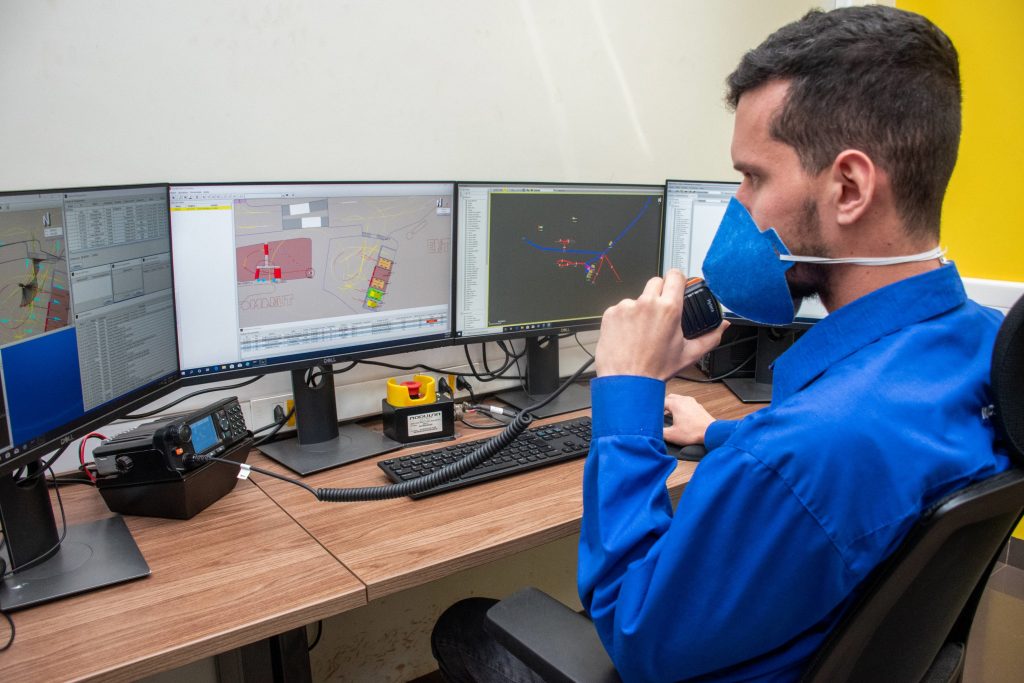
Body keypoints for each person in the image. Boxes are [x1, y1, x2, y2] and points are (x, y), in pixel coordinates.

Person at [431, 6, 1011, 681]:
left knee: (464, 623)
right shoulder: (986, 346)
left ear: (849, 188)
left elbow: (633, 632)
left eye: (754, 176)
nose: (740, 202)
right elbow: (858, 468)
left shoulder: (801, 454)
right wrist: (720, 434)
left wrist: (626, 388)